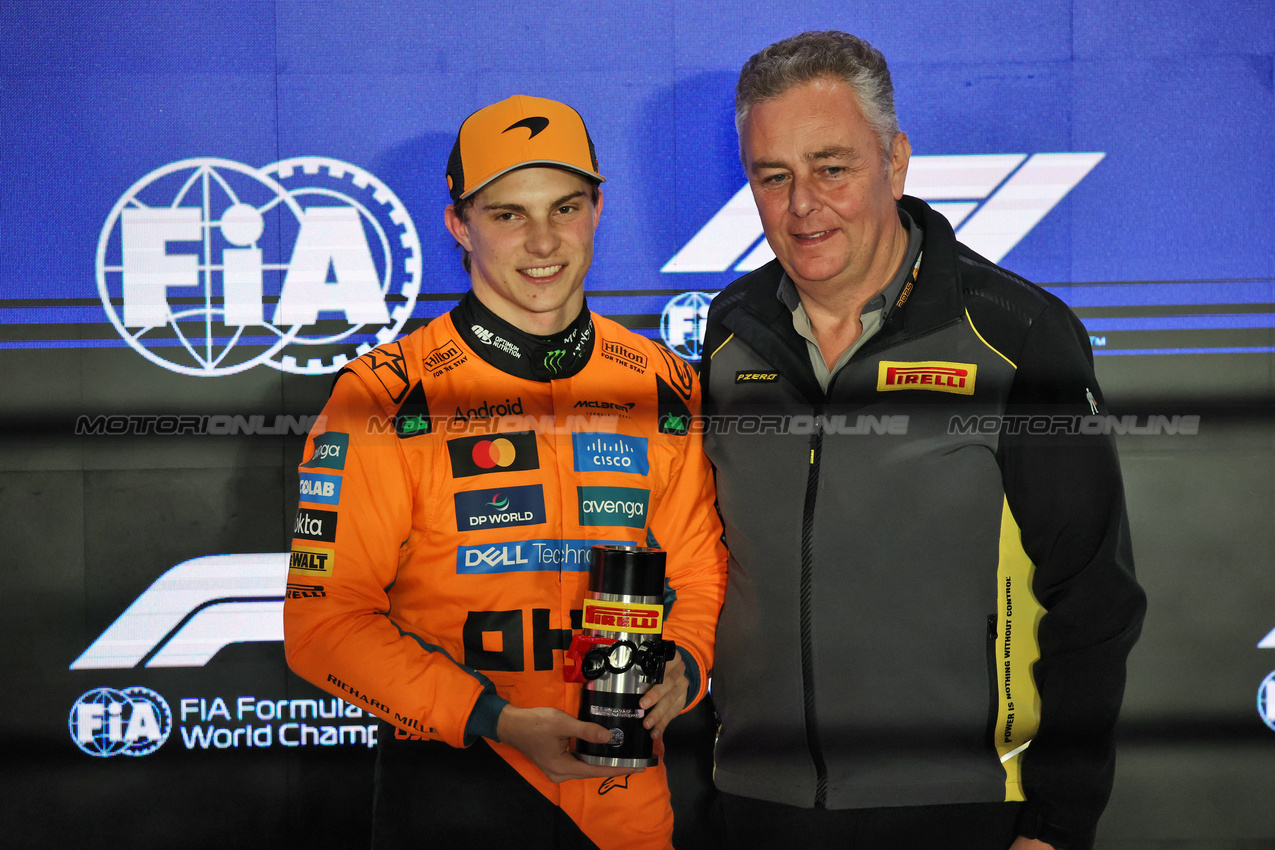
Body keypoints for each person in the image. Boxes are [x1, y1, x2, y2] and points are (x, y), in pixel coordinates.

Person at [699, 31, 1146, 850]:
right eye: (773, 176)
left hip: (966, 813)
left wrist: (1054, 822)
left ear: (894, 161)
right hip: (753, 811)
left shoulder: (1015, 334)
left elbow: (1094, 598)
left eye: (830, 167)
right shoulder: (728, 336)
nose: (802, 205)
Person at [284, 94, 727, 850]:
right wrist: (494, 719)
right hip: (457, 795)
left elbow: (700, 571)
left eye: (566, 207)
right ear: (458, 223)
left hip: (625, 806)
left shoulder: (662, 384)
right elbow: (322, 625)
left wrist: (683, 664)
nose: (543, 240)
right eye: (507, 214)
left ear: (597, 208)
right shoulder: (386, 393)